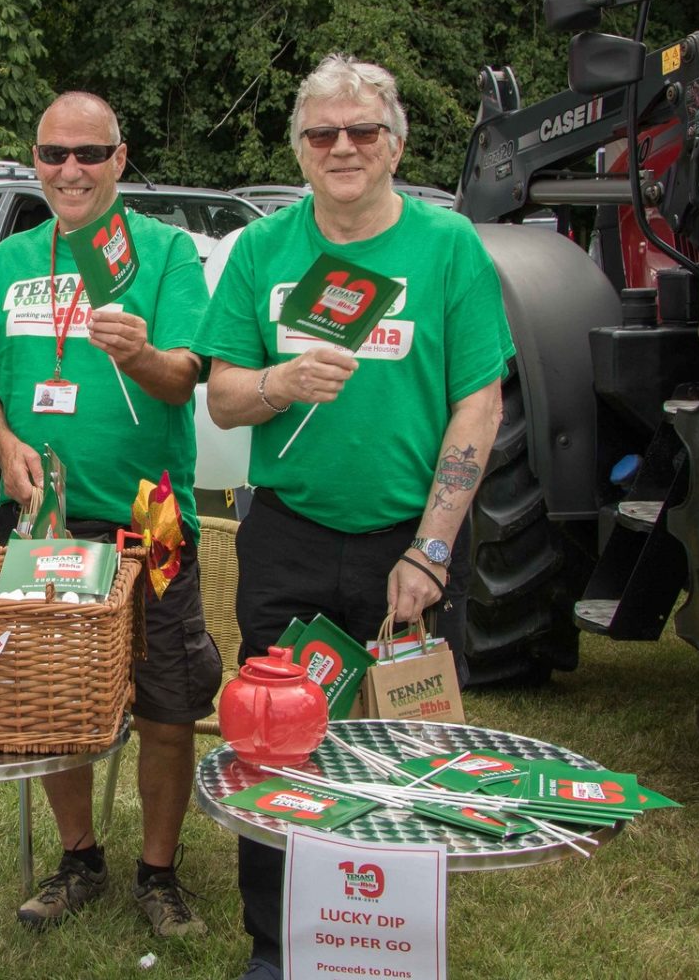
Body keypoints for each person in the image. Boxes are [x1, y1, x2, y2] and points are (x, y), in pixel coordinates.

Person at [194, 54, 512, 980]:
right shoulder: (263, 251)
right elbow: (220, 398)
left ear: (396, 143)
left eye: (362, 131)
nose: (342, 147)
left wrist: (433, 547)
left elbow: (478, 404)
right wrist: (281, 383)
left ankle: (390, 943)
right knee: (272, 741)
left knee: (402, 745)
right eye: (322, 133)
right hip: (287, 532)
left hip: (405, 541)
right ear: (298, 149)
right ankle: (276, 941)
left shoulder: (447, 248)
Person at [0, 91, 220, 939]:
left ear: (120, 158)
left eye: (89, 154)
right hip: (42, 516)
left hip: (155, 511)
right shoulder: (12, 260)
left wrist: (138, 350)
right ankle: (80, 858)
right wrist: (0, 448)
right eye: (53, 154)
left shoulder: (168, 251)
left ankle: (159, 872)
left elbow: (184, 377)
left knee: (168, 695)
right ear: (34, 161)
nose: (70, 170)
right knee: (47, 694)